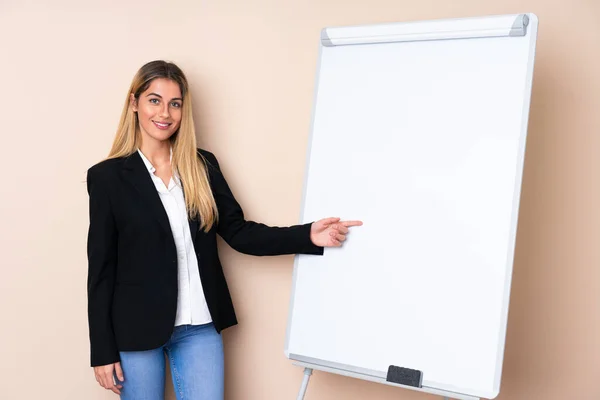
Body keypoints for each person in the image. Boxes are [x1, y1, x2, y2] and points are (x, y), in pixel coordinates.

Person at [86, 60, 362, 400]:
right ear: (134, 104)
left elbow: (240, 232)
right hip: (135, 328)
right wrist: (102, 351)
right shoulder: (107, 178)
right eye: (154, 100)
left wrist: (306, 235)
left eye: (175, 103)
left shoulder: (203, 165)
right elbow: (101, 269)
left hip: (199, 327)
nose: (165, 113)